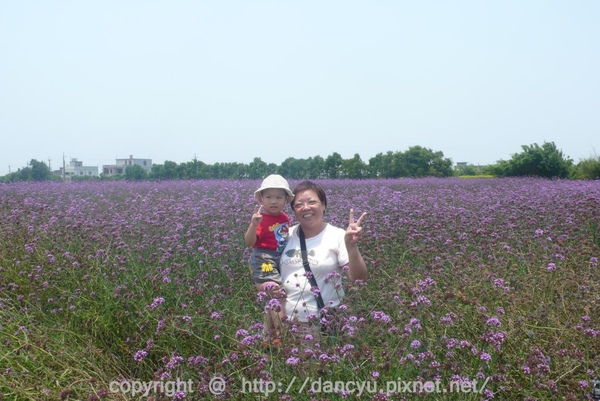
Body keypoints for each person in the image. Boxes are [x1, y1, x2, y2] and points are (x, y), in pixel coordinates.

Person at [258, 180, 368, 346]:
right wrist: (265, 287)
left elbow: (358, 278)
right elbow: (264, 266)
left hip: (319, 323)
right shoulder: (284, 234)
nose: (306, 208)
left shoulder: (337, 235)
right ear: (293, 210)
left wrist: (351, 247)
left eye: (312, 202)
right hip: (280, 320)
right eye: (299, 204)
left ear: (323, 205)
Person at [244, 174, 293, 344]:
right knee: (276, 294)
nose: (274, 201)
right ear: (261, 199)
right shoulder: (260, 219)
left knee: (273, 295)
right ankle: (279, 334)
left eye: (279, 197)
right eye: (269, 197)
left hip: (278, 258)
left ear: (286, 200)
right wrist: (254, 225)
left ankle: (267, 336)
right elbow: (250, 243)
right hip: (263, 259)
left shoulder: (285, 219)